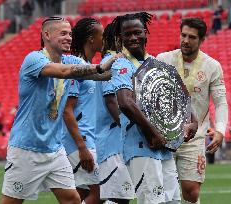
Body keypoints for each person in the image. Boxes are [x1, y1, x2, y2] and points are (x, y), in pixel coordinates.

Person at [0, 16, 120, 204]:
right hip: (27, 149)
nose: (69, 38)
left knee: (72, 200)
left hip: (55, 150)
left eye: (70, 34)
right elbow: (65, 71)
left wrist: (125, 68)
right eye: (63, 33)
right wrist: (100, 66)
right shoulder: (34, 59)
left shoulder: (70, 59)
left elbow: (101, 75)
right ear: (46, 35)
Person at [111, 12, 182, 204]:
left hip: (164, 147)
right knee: (153, 201)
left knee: (173, 201)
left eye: (137, 32)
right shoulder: (122, 65)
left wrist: (188, 123)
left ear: (145, 33)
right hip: (141, 145)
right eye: (127, 34)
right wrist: (153, 132)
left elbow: (175, 100)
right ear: (120, 38)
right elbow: (126, 103)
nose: (133, 37)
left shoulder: (156, 64)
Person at [157, 17, 228, 204]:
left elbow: (220, 102)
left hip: (195, 138)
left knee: (191, 191)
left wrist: (220, 130)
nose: (186, 40)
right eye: (183, 35)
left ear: (202, 40)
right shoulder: (163, 60)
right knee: (164, 191)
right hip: (165, 136)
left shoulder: (212, 66)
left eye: (192, 37)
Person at [62, 17, 104, 204]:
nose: (105, 39)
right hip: (80, 142)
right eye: (101, 35)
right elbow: (67, 110)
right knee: (101, 193)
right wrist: (82, 147)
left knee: (80, 196)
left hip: (89, 139)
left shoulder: (90, 68)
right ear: (91, 39)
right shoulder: (76, 68)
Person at [95, 22, 135, 204]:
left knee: (117, 197)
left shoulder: (108, 62)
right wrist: (128, 126)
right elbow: (111, 100)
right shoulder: (114, 63)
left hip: (110, 141)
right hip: (113, 141)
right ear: (118, 39)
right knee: (120, 198)